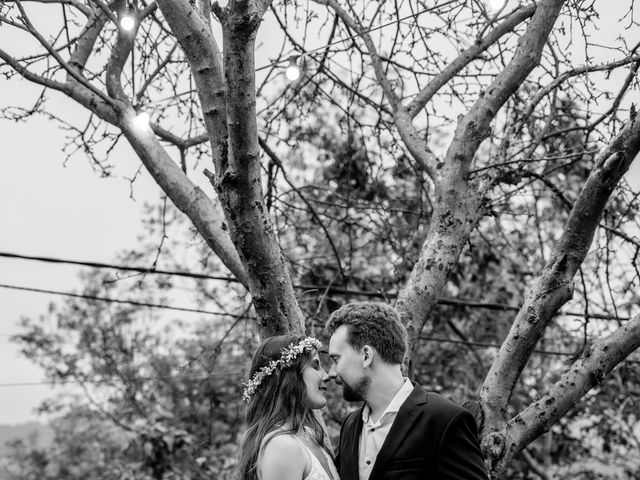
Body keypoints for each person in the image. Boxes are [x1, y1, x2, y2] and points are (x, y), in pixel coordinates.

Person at [326, 302, 487, 480]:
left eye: (336, 359)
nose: (331, 373)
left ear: (366, 356)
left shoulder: (444, 420)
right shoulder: (350, 425)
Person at [235, 334, 340, 480]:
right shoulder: (282, 446)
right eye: (315, 365)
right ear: (288, 376)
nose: (326, 375)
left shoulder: (309, 434)